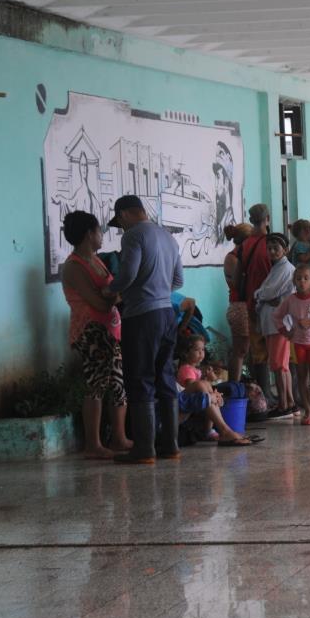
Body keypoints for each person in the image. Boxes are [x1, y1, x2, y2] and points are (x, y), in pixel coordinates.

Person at [103, 195, 183, 464]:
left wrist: (111, 290)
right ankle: (171, 446)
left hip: (142, 316)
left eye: (120, 223)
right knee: (165, 376)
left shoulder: (134, 235)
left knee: (140, 378)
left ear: (124, 214)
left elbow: (127, 274)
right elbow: (178, 280)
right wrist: (159, 290)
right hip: (167, 314)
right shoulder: (168, 237)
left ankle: (144, 449)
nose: (121, 229)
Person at [60, 210, 131, 459]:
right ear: (89, 233)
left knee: (118, 385)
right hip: (90, 332)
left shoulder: (96, 260)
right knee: (97, 385)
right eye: (100, 230)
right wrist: (116, 295)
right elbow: (99, 303)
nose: (102, 235)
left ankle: (119, 438)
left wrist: (112, 294)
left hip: (110, 331)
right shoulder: (73, 266)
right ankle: (93, 444)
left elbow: (108, 295)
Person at [274, 265, 310, 425]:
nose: (302, 281)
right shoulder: (290, 300)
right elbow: (277, 315)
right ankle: (308, 410)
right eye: (298, 278)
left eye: (306, 278)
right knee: (301, 377)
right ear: (294, 281)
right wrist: (285, 331)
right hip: (298, 344)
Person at [176, 335, 251, 445]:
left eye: (202, 349)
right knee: (206, 389)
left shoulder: (196, 369)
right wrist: (210, 393)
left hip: (195, 398)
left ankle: (214, 430)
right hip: (188, 400)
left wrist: (212, 389)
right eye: (197, 350)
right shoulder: (185, 369)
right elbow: (193, 387)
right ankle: (223, 431)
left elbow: (208, 383)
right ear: (186, 353)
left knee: (210, 390)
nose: (201, 353)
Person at [254, 232, 298, 418]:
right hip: (274, 323)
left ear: (285, 250)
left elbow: (268, 292)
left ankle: (284, 405)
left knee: (279, 366)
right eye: (269, 248)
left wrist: (259, 295)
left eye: (276, 248)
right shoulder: (277, 268)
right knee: (282, 365)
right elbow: (266, 293)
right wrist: (262, 295)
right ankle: (289, 403)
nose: (272, 251)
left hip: (278, 324)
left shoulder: (285, 269)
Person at [236, 204, 273, 398]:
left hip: (252, 302)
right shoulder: (273, 243)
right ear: (268, 219)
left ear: (251, 220)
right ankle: (284, 397)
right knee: (278, 348)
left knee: (258, 350)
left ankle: (263, 395)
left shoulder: (244, 245)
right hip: (273, 303)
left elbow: (237, 278)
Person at [223, 223, 252, 382]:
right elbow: (240, 286)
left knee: (250, 350)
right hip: (240, 306)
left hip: (246, 306)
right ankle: (234, 386)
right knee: (240, 350)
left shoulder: (243, 257)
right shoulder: (233, 258)